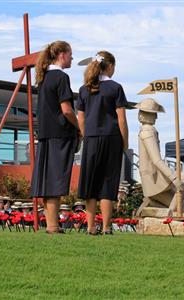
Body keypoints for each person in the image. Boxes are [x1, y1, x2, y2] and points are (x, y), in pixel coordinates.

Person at [77, 51, 129, 235]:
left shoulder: (84, 89)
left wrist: (87, 136)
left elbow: (80, 119)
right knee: (108, 182)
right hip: (111, 138)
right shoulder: (116, 88)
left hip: (91, 139)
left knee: (90, 183)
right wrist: (125, 142)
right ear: (110, 66)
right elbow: (121, 119)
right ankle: (107, 227)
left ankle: (91, 227)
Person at [31, 40, 77, 234]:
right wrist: (80, 126)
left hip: (45, 135)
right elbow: (66, 110)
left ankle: (52, 226)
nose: (72, 58)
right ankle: (52, 226)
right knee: (57, 179)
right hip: (60, 135)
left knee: (47, 181)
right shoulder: (61, 77)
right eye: (70, 54)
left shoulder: (43, 78)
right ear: (62, 54)